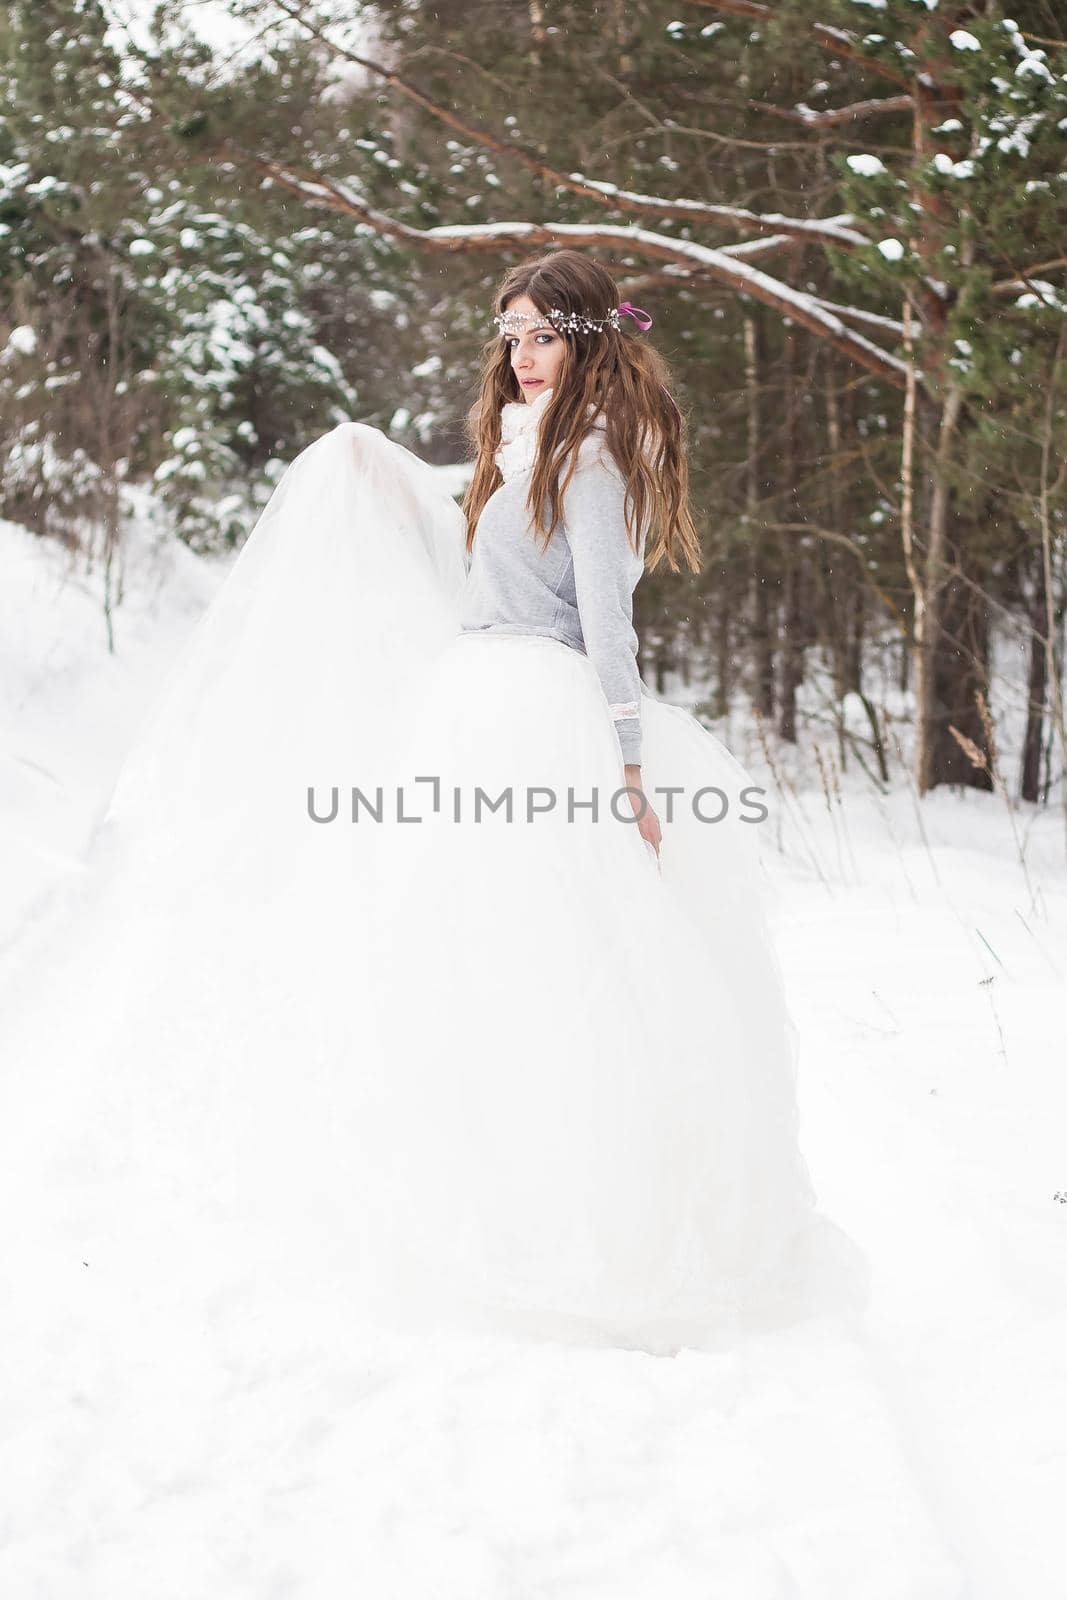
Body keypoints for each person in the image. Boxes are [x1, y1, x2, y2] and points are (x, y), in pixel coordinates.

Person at [0, 249, 845, 1356]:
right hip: (477, 698)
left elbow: (607, 620)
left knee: (572, 975)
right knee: (470, 967)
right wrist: (368, 462)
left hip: (545, 718)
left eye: (543, 334)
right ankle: (489, 1196)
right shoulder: (520, 441)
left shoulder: (592, 460)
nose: (521, 355)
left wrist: (629, 766)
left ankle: (601, 1225)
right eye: (510, 334)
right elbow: (464, 516)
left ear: (590, 340)